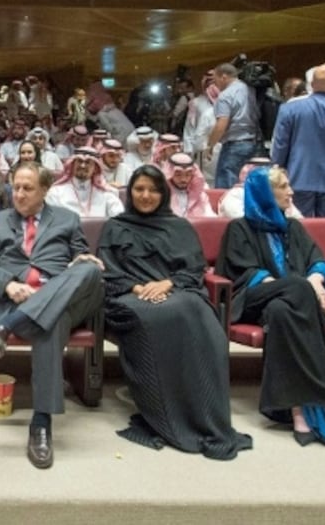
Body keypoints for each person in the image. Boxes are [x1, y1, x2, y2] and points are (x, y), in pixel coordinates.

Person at [97, 165, 252, 459]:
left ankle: (206, 413)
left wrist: (167, 283)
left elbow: (194, 269)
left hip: (177, 291)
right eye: (139, 189)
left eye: (154, 190)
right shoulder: (115, 226)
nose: (146, 195)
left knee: (202, 318)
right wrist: (138, 288)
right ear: (129, 192)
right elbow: (108, 273)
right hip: (131, 297)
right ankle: (167, 413)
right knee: (160, 318)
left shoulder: (179, 227)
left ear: (164, 193)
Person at [216, 167, 325, 445]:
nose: (291, 192)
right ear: (264, 194)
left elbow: (317, 260)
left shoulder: (292, 226)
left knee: (284, 311)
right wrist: (305, 287)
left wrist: (317, 282)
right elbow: (241, 273)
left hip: (288, 305)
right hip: (253, 300)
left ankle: (295, 409)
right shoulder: (239, 228)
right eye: (283, 187)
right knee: (296, 286)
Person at [0, 161, 105, 469]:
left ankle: (6, 329)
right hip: (16, 299)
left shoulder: (67, 219)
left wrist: (80, 260)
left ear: (45, 190)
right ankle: (41, 423)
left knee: (89, 269)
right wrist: (8, 285)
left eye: (27, 188)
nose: (19, 194)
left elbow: (80, 255)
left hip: (59, 292)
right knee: (52, 319)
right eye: (15, 187)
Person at [269, 64, 325, 218]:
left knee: (298, 224)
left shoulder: (289, 109)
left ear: (311, 84)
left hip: (298, 174)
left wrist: (278, 172)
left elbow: (280, 145)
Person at [207, 63, 259, 189]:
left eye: (215, 80)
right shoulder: (250, 90)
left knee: (226, 187)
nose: (215, 85)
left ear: (223, 77)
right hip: (253, 143)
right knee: (247, 185)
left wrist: (210, 145)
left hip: (234, 145)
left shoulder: (225, 95)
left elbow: (222, 124)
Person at [46, 147, 123, 218]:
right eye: (79, 161)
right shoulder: (55, 193)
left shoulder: (106, 193)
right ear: (72, 165)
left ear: (95, 168)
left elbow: (119, 218)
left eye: (88, 162)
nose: (83, 166)